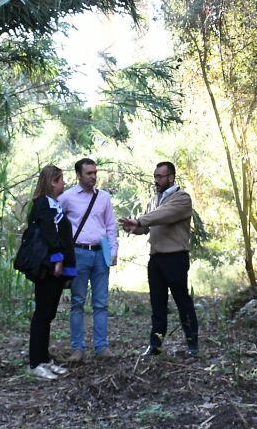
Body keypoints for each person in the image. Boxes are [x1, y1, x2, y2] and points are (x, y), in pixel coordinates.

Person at [120, 161, 199, 358]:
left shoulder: (181, 198)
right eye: (155, 176)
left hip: (175, 257)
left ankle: (192, 344)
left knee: (182, 300)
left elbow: (164, 215)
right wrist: (133, 227)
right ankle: (155, 345)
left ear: (171, 177)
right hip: (155, 258)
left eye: (160, 177)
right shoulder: (153, 201)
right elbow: (146, 226)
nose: (156, 180)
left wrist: (140, 221)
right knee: (157, 303)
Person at [59, 157, 117, 363]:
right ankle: (77, 349)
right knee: (77, 302)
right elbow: (57, 223)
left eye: (95, 172)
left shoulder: (104, 197)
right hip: (79, 253)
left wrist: (113, 251)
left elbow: (110, 225)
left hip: (101, 252)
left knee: (101, 303)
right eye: (89, 173)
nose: (93, 176)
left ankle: (102, 347)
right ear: (79, 175)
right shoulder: (67, 197)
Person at [26, 164, 76, 381]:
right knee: (42, 314)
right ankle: (36, 363)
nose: (64, 183)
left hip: (55, 267)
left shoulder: (53, 204)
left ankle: (44, 358)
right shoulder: (43, 203)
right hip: (47, 267)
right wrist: (57, 260)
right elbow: (48, 231)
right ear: (52, 182)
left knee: (48, 315)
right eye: (61, 179)